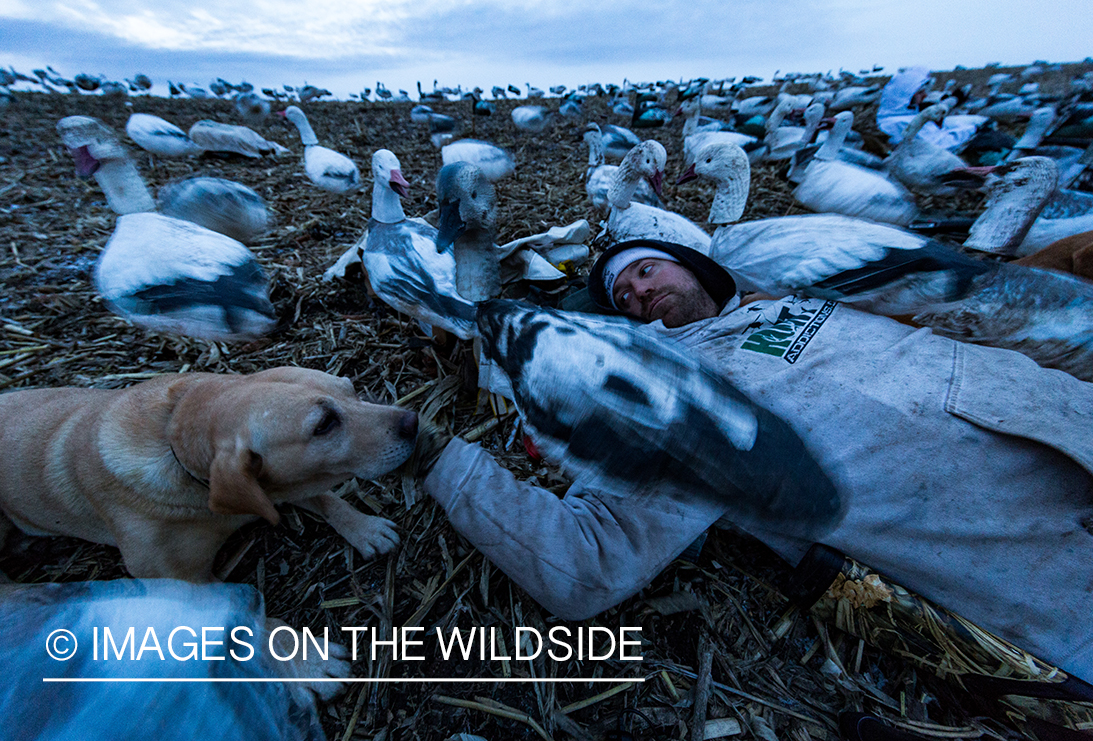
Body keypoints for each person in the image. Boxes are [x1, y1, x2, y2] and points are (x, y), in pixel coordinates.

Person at [422, 239, 1093, 683]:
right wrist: (434, 455)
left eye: (645, 270)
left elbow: (977, 295)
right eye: (620, 297)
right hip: (1050, 568)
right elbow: (586, 566)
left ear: (693, 264)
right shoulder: (670, 391)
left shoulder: (816, 290)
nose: (634, 292)